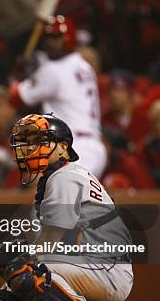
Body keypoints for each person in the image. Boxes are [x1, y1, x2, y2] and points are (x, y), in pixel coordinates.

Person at [0, 113, 132, 301]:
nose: (30, 147)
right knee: (23, 262)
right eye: (27, 141)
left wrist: (9, 290)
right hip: (103, 266)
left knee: (21, 264)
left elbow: (53, 242)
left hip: (104, 269)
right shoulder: (67, 174)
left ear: (63, 148)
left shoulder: (64, 177)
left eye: (39, 140)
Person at [10, 15, 106, 178]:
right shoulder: (84, 66)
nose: (50, 43)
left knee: (59, 200)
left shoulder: (53, 70)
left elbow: (17, 98)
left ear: (68, 39)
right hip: (92, 147)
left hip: (75, 147)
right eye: (48, 38)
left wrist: (17, 76)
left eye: (56, 38)